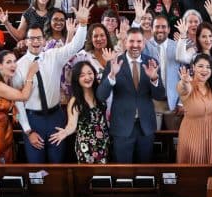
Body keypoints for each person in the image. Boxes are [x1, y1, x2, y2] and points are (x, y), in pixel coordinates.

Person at [13, 1, 91, 163]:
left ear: (43, 40)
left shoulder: (54, 55)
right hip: (33, 120)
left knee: (58, 163)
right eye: (31, 38)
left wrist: (83, 25)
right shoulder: (19, 66)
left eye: (38, 38)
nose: (35, 42)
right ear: (26, 41)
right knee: (36, 167)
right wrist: (28, 131)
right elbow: (18, 102)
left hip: (56, 116)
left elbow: (75, 46)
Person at [97, 28, 166, 163]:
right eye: (131, 41)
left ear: (144, 43)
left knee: (145, 173)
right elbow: (101, 96)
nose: (135, 45)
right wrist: (112, 75)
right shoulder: (115, 62)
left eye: (139, 41)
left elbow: (159, 96)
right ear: (125, 42)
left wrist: (154, 79)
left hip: (146, 128)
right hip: (122, 128)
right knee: (123, 173)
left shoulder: (151, 62)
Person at [55, 61, 111, 163]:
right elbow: (72, 125)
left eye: (90, 73)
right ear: (77, 79)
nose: (87, 77)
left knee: (104, 176)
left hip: (104, 143)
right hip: (86, 147)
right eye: (82, 75)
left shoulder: (100, 93)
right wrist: (66, 131)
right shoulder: (75, 101)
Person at [145, 14, 183, 130]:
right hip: (151, 102)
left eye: (163, 27)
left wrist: (181, 102)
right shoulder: (144, 46)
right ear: (151, 29)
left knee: (174, 140)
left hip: (173, 102)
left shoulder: (177, 47)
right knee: (153, 141)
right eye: (157, 27)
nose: (160, 30)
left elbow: (184, 76)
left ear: (169, 29)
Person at [63, 23, 113, 103]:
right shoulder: (84, 55)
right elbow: (66, 58)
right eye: (95, 36)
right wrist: (70, 34)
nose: (99, 39)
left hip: (114, 103)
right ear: (90, 39)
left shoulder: (115, 54)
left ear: (107, 37)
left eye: (102, 35)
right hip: (93, 103)